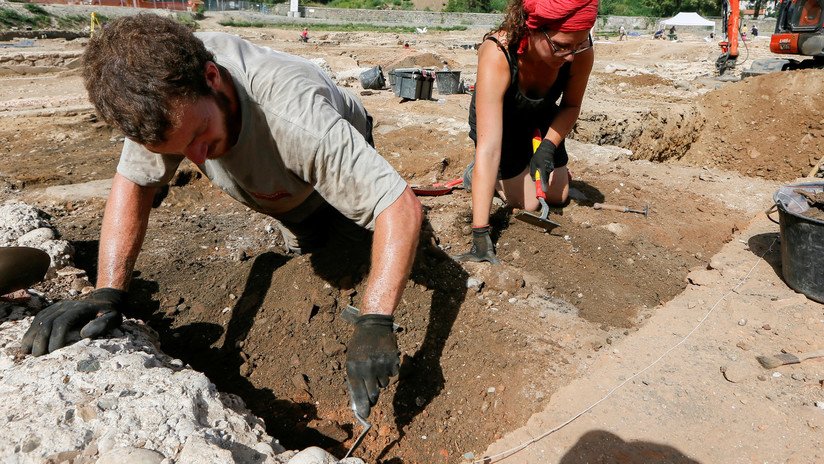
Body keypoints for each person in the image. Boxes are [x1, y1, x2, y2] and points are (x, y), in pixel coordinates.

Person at [20, 14, 423, 422]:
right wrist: (107, 293)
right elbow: (134, 184)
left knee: (358, 235)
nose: (195, 159)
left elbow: (397, 205)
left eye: (198, 137)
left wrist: (375, 319)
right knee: (306, 244)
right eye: (178, 149)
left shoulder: (296, 117)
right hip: (275, 184)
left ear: (212, 77)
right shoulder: (159, 90)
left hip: (321, 147)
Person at [456, 0, 597, 264]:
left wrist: (548, 146)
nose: (570, 56)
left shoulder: (579, 51)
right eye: (562, 46)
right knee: (530, 203)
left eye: (578, 45)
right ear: (533, 29)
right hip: (502, 122)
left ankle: (523, 168)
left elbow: (571, 105)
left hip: (541, 114)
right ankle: (474, 175)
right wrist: (480, 235)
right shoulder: (498, 52)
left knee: (559, 195)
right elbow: (489, 149)